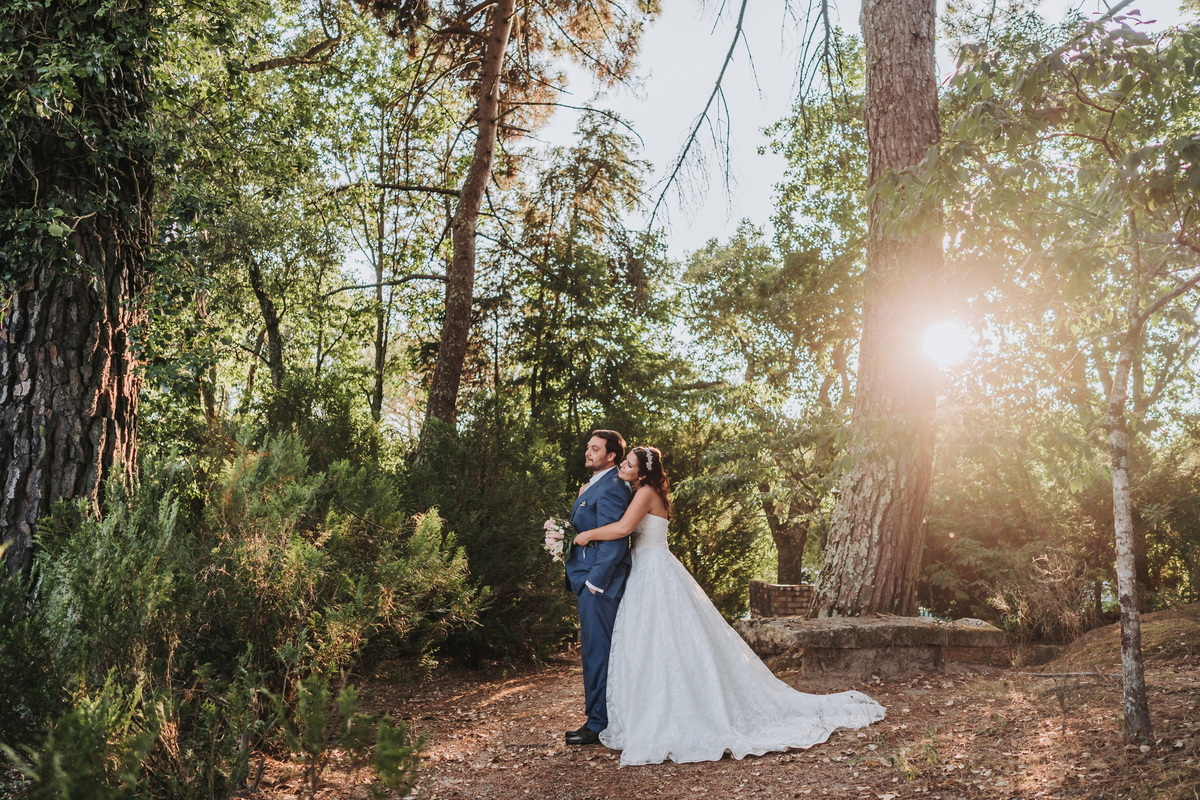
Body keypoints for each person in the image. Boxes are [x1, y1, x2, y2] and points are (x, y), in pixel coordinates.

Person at [572, 446, 886, 766]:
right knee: (658, 639)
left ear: (643, 472)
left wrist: (586, 535)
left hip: (652, 570)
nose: (622, 467)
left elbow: (624, 529)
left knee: (661, 638)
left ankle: (671, 710)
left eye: (628, 464)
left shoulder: (645, 493)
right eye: (623, 463)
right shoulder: (646, 490)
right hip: (651, 567)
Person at [563, 430, 634, 746]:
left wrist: (594, 583)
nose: (588, 452)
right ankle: (596, 718)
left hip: (599, 585)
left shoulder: (613, 488)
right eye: (588, 447)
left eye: (595, 449)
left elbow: (615, 540)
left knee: (598, 653)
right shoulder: (596, 484)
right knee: (593, 650)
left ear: (611, 456)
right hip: (588, 580)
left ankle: (599, 724)